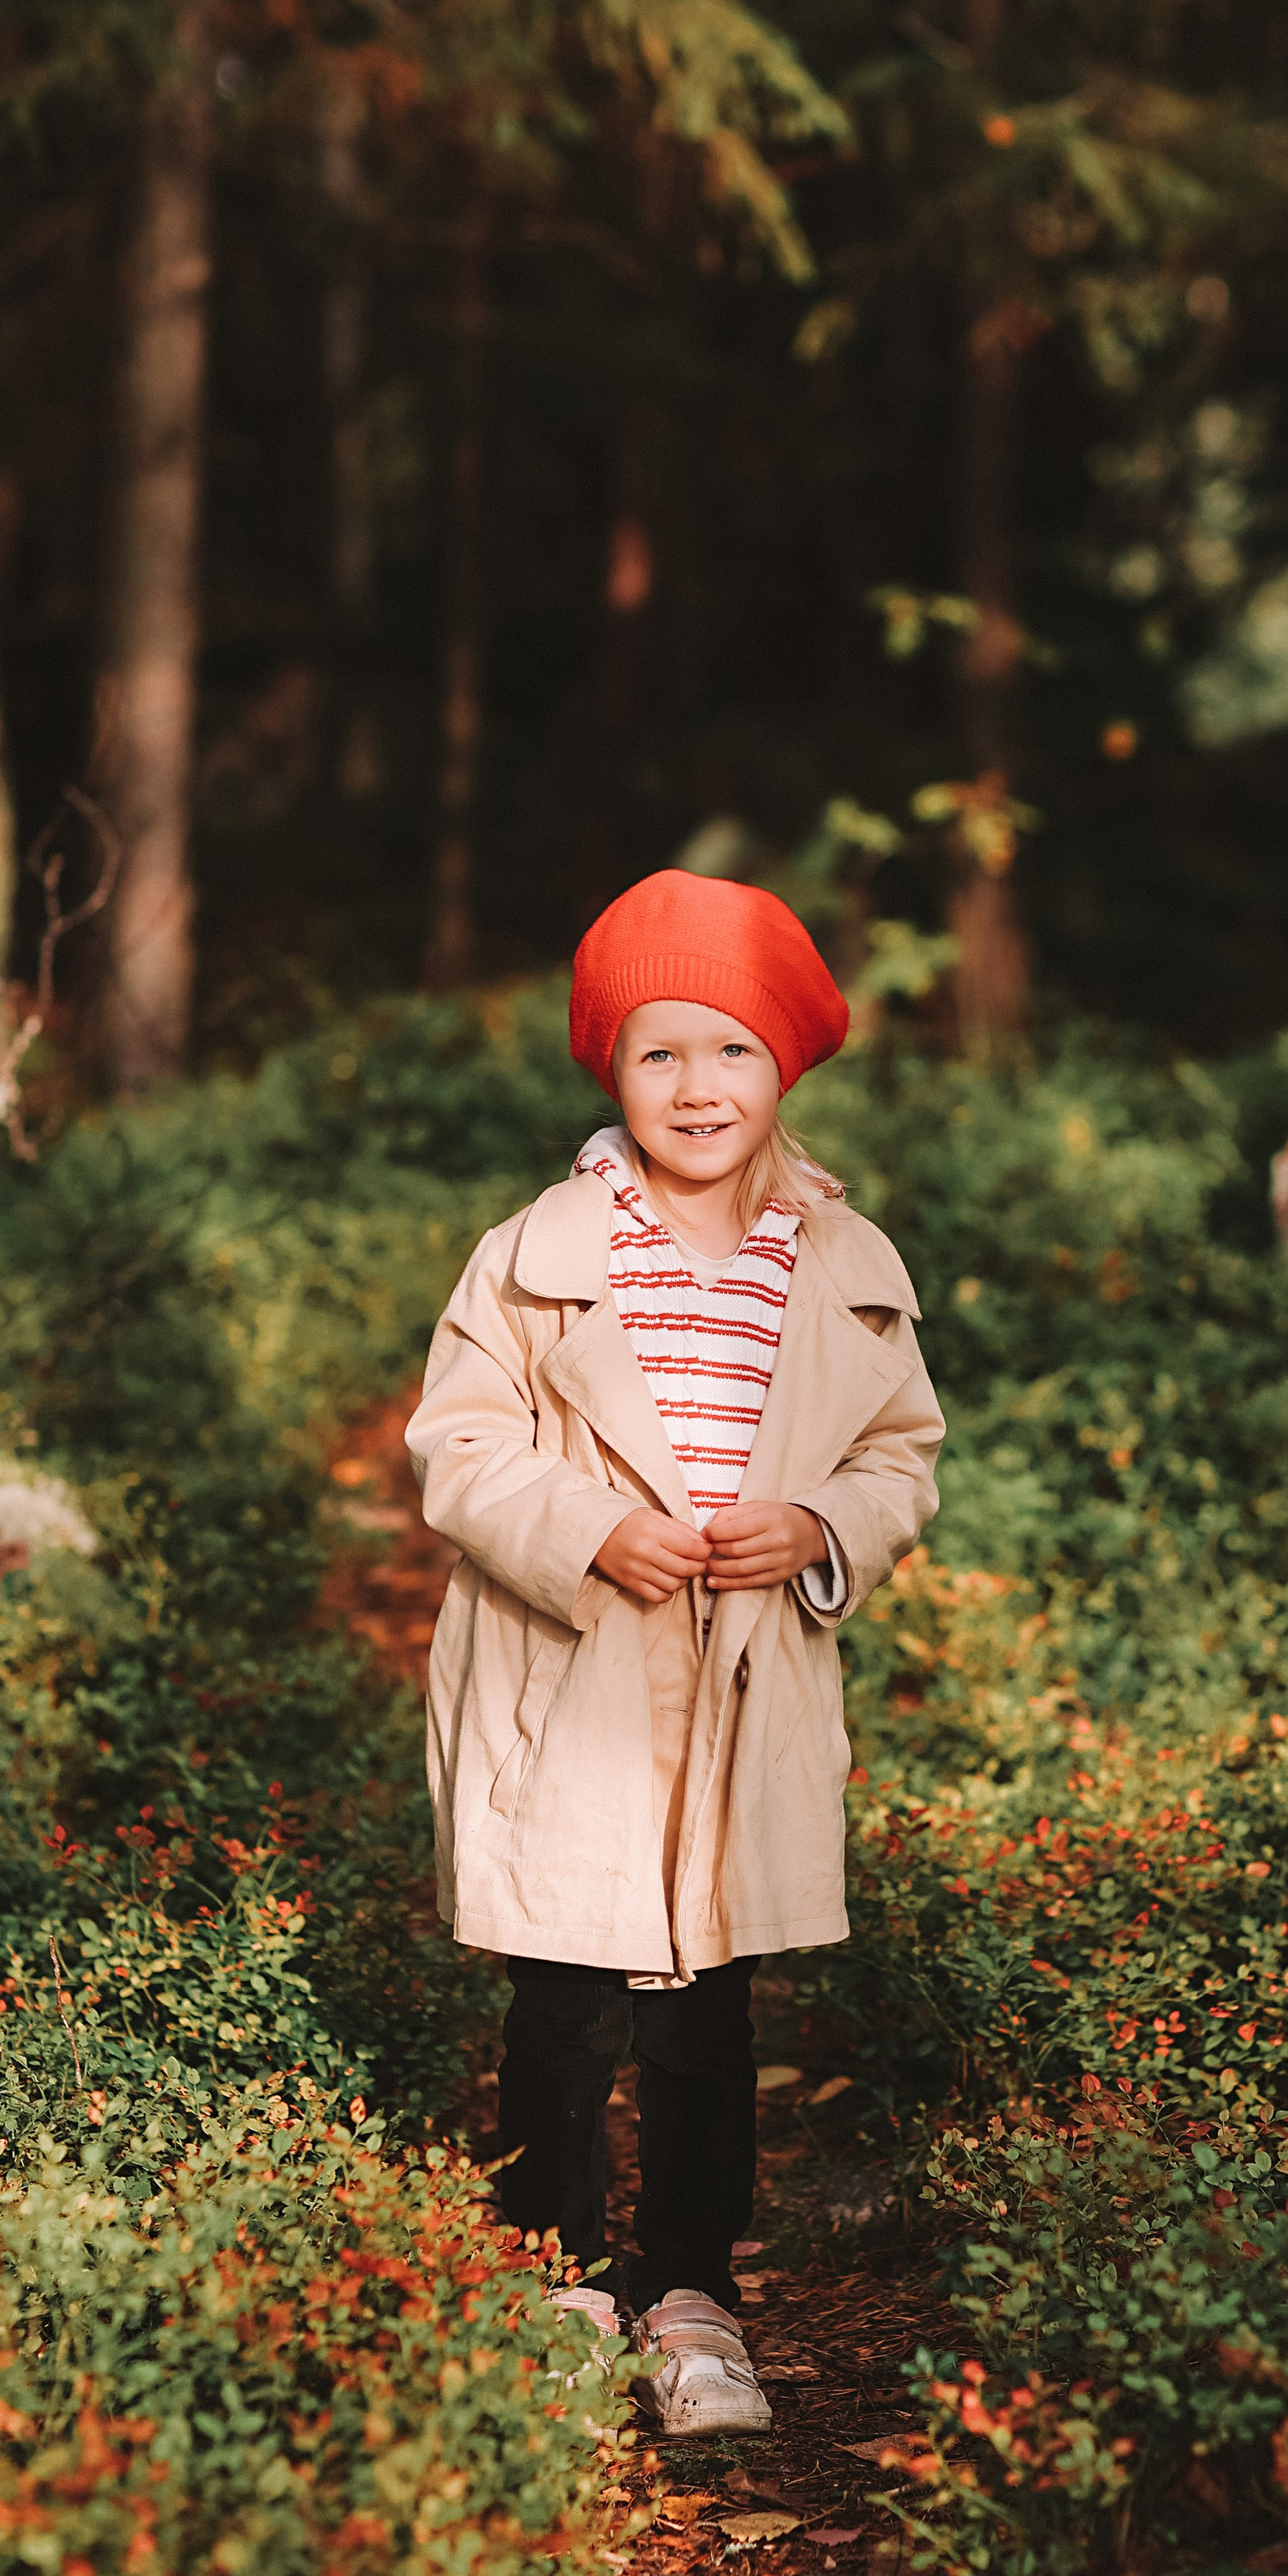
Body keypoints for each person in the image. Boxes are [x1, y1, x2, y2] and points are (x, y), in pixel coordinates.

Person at [405, 871, 944, 2435]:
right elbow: (460, 1442)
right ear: (609, 1071)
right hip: (571, 1677)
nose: (695, 1087)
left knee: (710, 2005)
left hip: (742, 1679)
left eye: (729, 1052)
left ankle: (694, 2294)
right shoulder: (535, 1252)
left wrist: (823, 1525)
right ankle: (564, 2284)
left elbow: (900, 1452)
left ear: (784, 1066)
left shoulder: (839, 1261)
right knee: (564, 2001)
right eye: (658, 1055)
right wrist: (581, 1525)